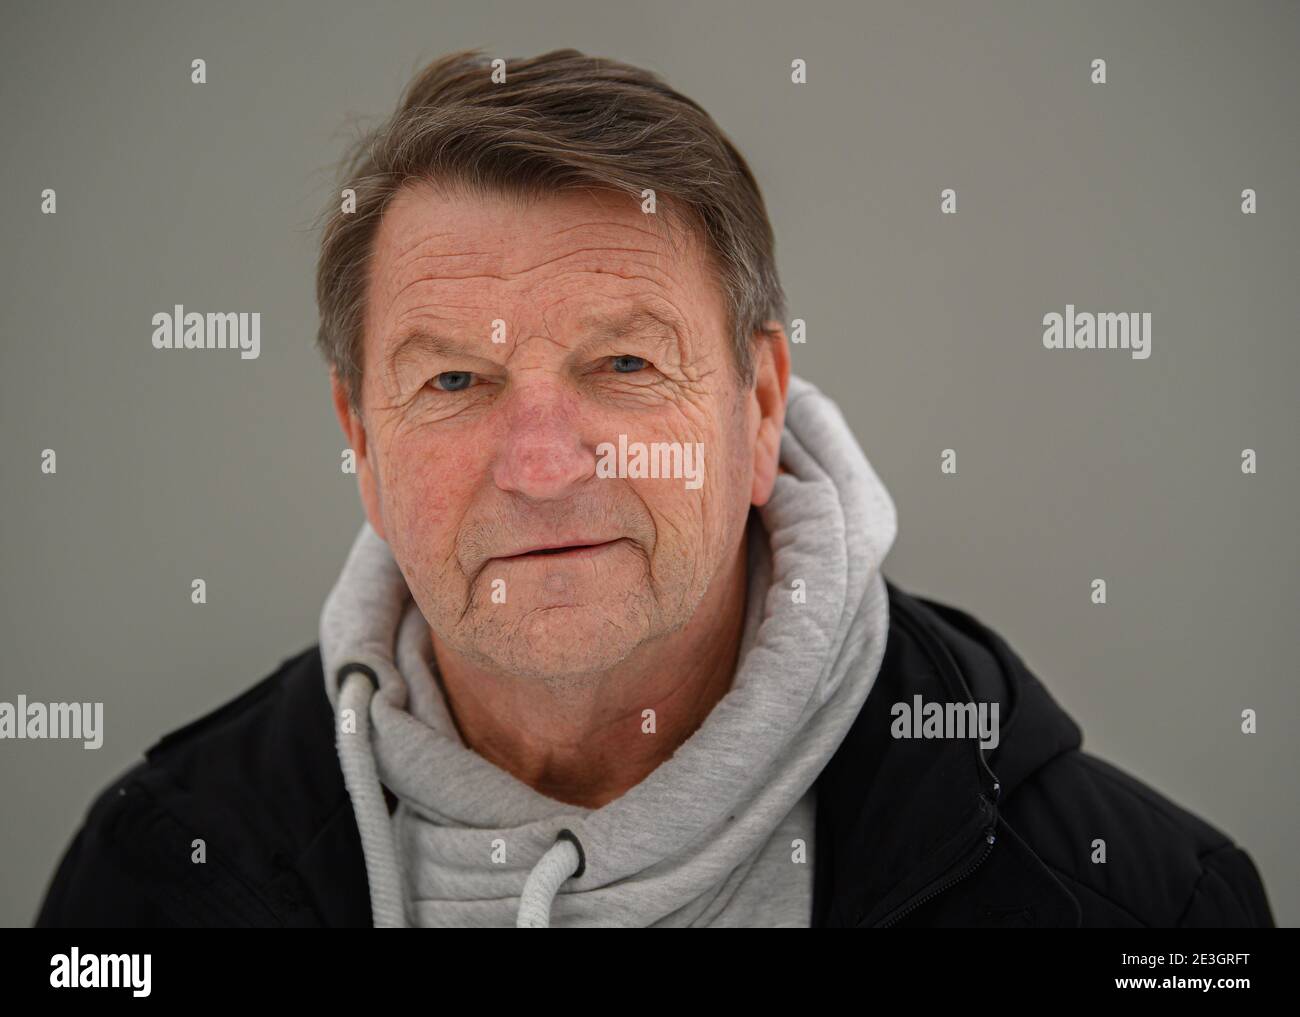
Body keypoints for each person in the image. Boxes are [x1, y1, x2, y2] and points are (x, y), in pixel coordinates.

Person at [35, 47, 1274, 928]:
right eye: (456, 382)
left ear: (759, 403)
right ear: (360, 438)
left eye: (623, 364)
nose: (540, 465)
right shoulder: (152, 881)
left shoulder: (1141, 909)